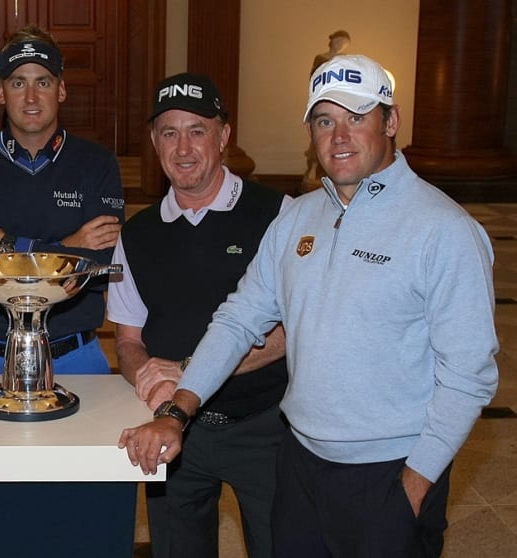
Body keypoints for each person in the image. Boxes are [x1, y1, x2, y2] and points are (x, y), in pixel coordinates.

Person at [119, 54, 499, 557]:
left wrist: (415, 484)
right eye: (325, 120)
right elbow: (237, 320)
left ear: (392, 121)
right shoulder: (297, 221)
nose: (339, 136)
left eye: (356, 117)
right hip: (298, 465)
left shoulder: (444, 229)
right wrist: (177, 410)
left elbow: (469, 376)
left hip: (391, 471)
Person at [0, 24, 130, 558]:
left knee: (83, 518)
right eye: (18, 82)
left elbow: (97, 263)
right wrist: (65, 243)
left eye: (42, 81)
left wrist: (6, 244)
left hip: (78, 358)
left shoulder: (96, 163)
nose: (31, 95)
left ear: (62, 89)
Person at [107, 72, 288, 558]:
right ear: (153, 141)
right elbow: (127, 341)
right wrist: (154, 386)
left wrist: (188, 374)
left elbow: (294, 331)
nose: (183, 147)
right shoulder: (137, 234)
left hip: (268, 426)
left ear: (224, 135)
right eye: (169, 132)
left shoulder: (279, 216)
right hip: (177, 433)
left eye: (197, 130)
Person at [303, 30, 351, 192]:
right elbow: (314, 79)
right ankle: (313, 170)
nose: (341, 46)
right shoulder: (321, 58)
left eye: (345, 43)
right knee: (320, 134)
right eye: (340, 41)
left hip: (340, 102)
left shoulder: (346, 60)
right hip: (322, 100)